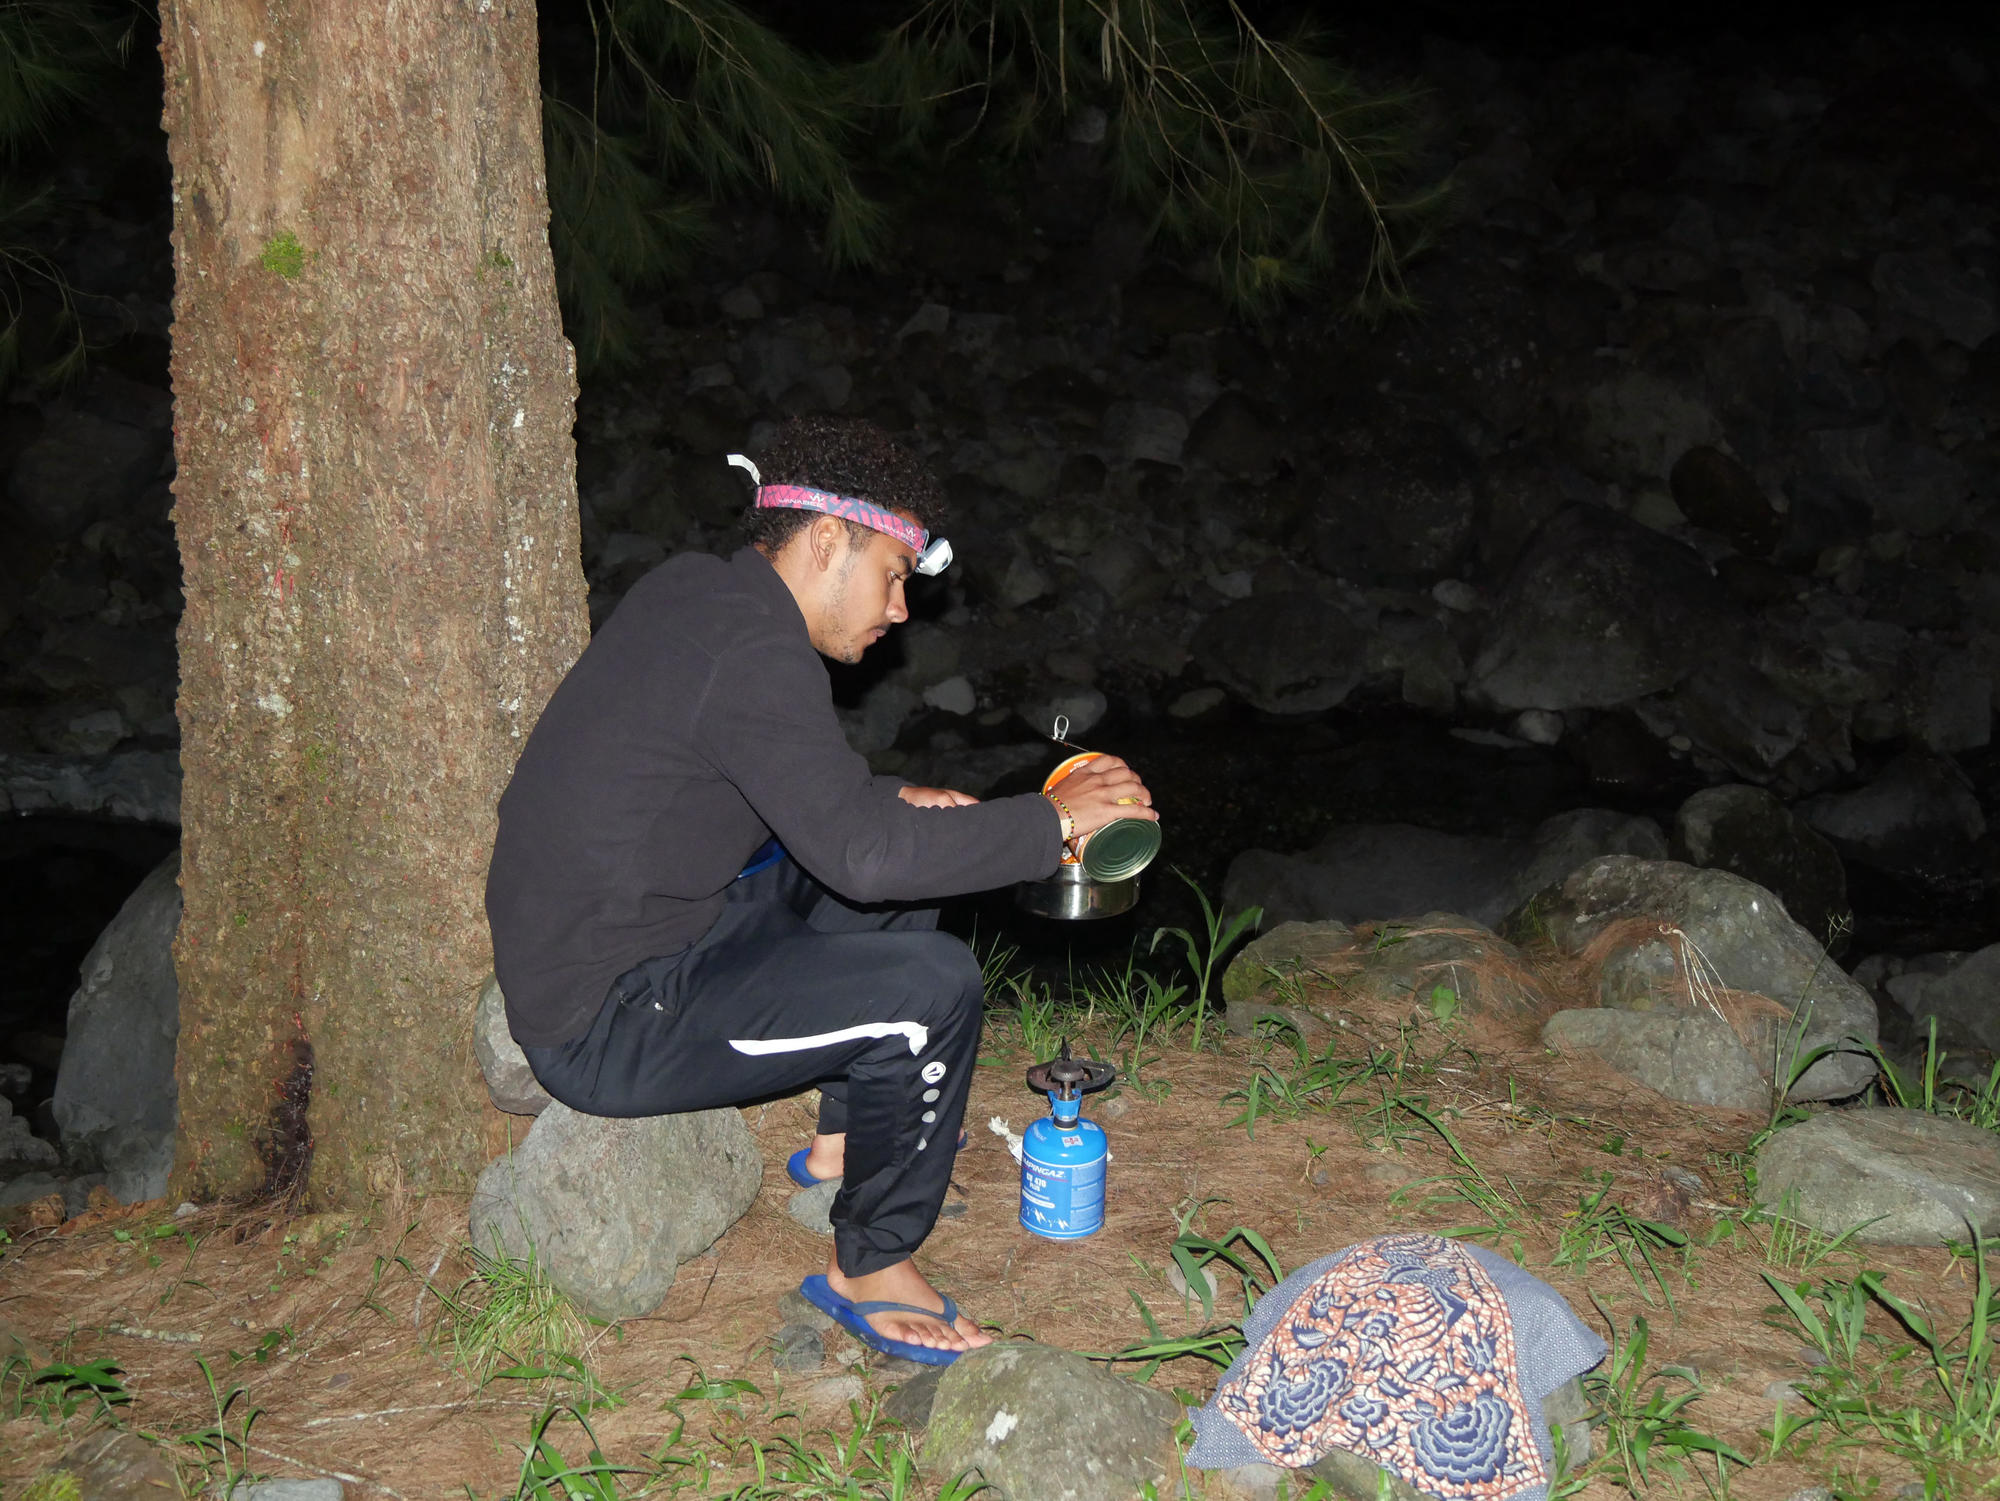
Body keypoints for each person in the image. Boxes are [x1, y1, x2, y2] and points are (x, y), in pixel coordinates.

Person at [484, 416, 1156, 1363]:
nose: (902, 608)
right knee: (933, 989)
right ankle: (871, 1263)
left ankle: (845, 1147)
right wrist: (1050, 823)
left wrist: (892, 799)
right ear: (829, 539)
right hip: (610, 1017)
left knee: (907, 838)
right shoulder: (755, 655)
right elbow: (862, 858)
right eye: (894, 575)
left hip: (652, 933)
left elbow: (759, 784)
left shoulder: (704, 596)